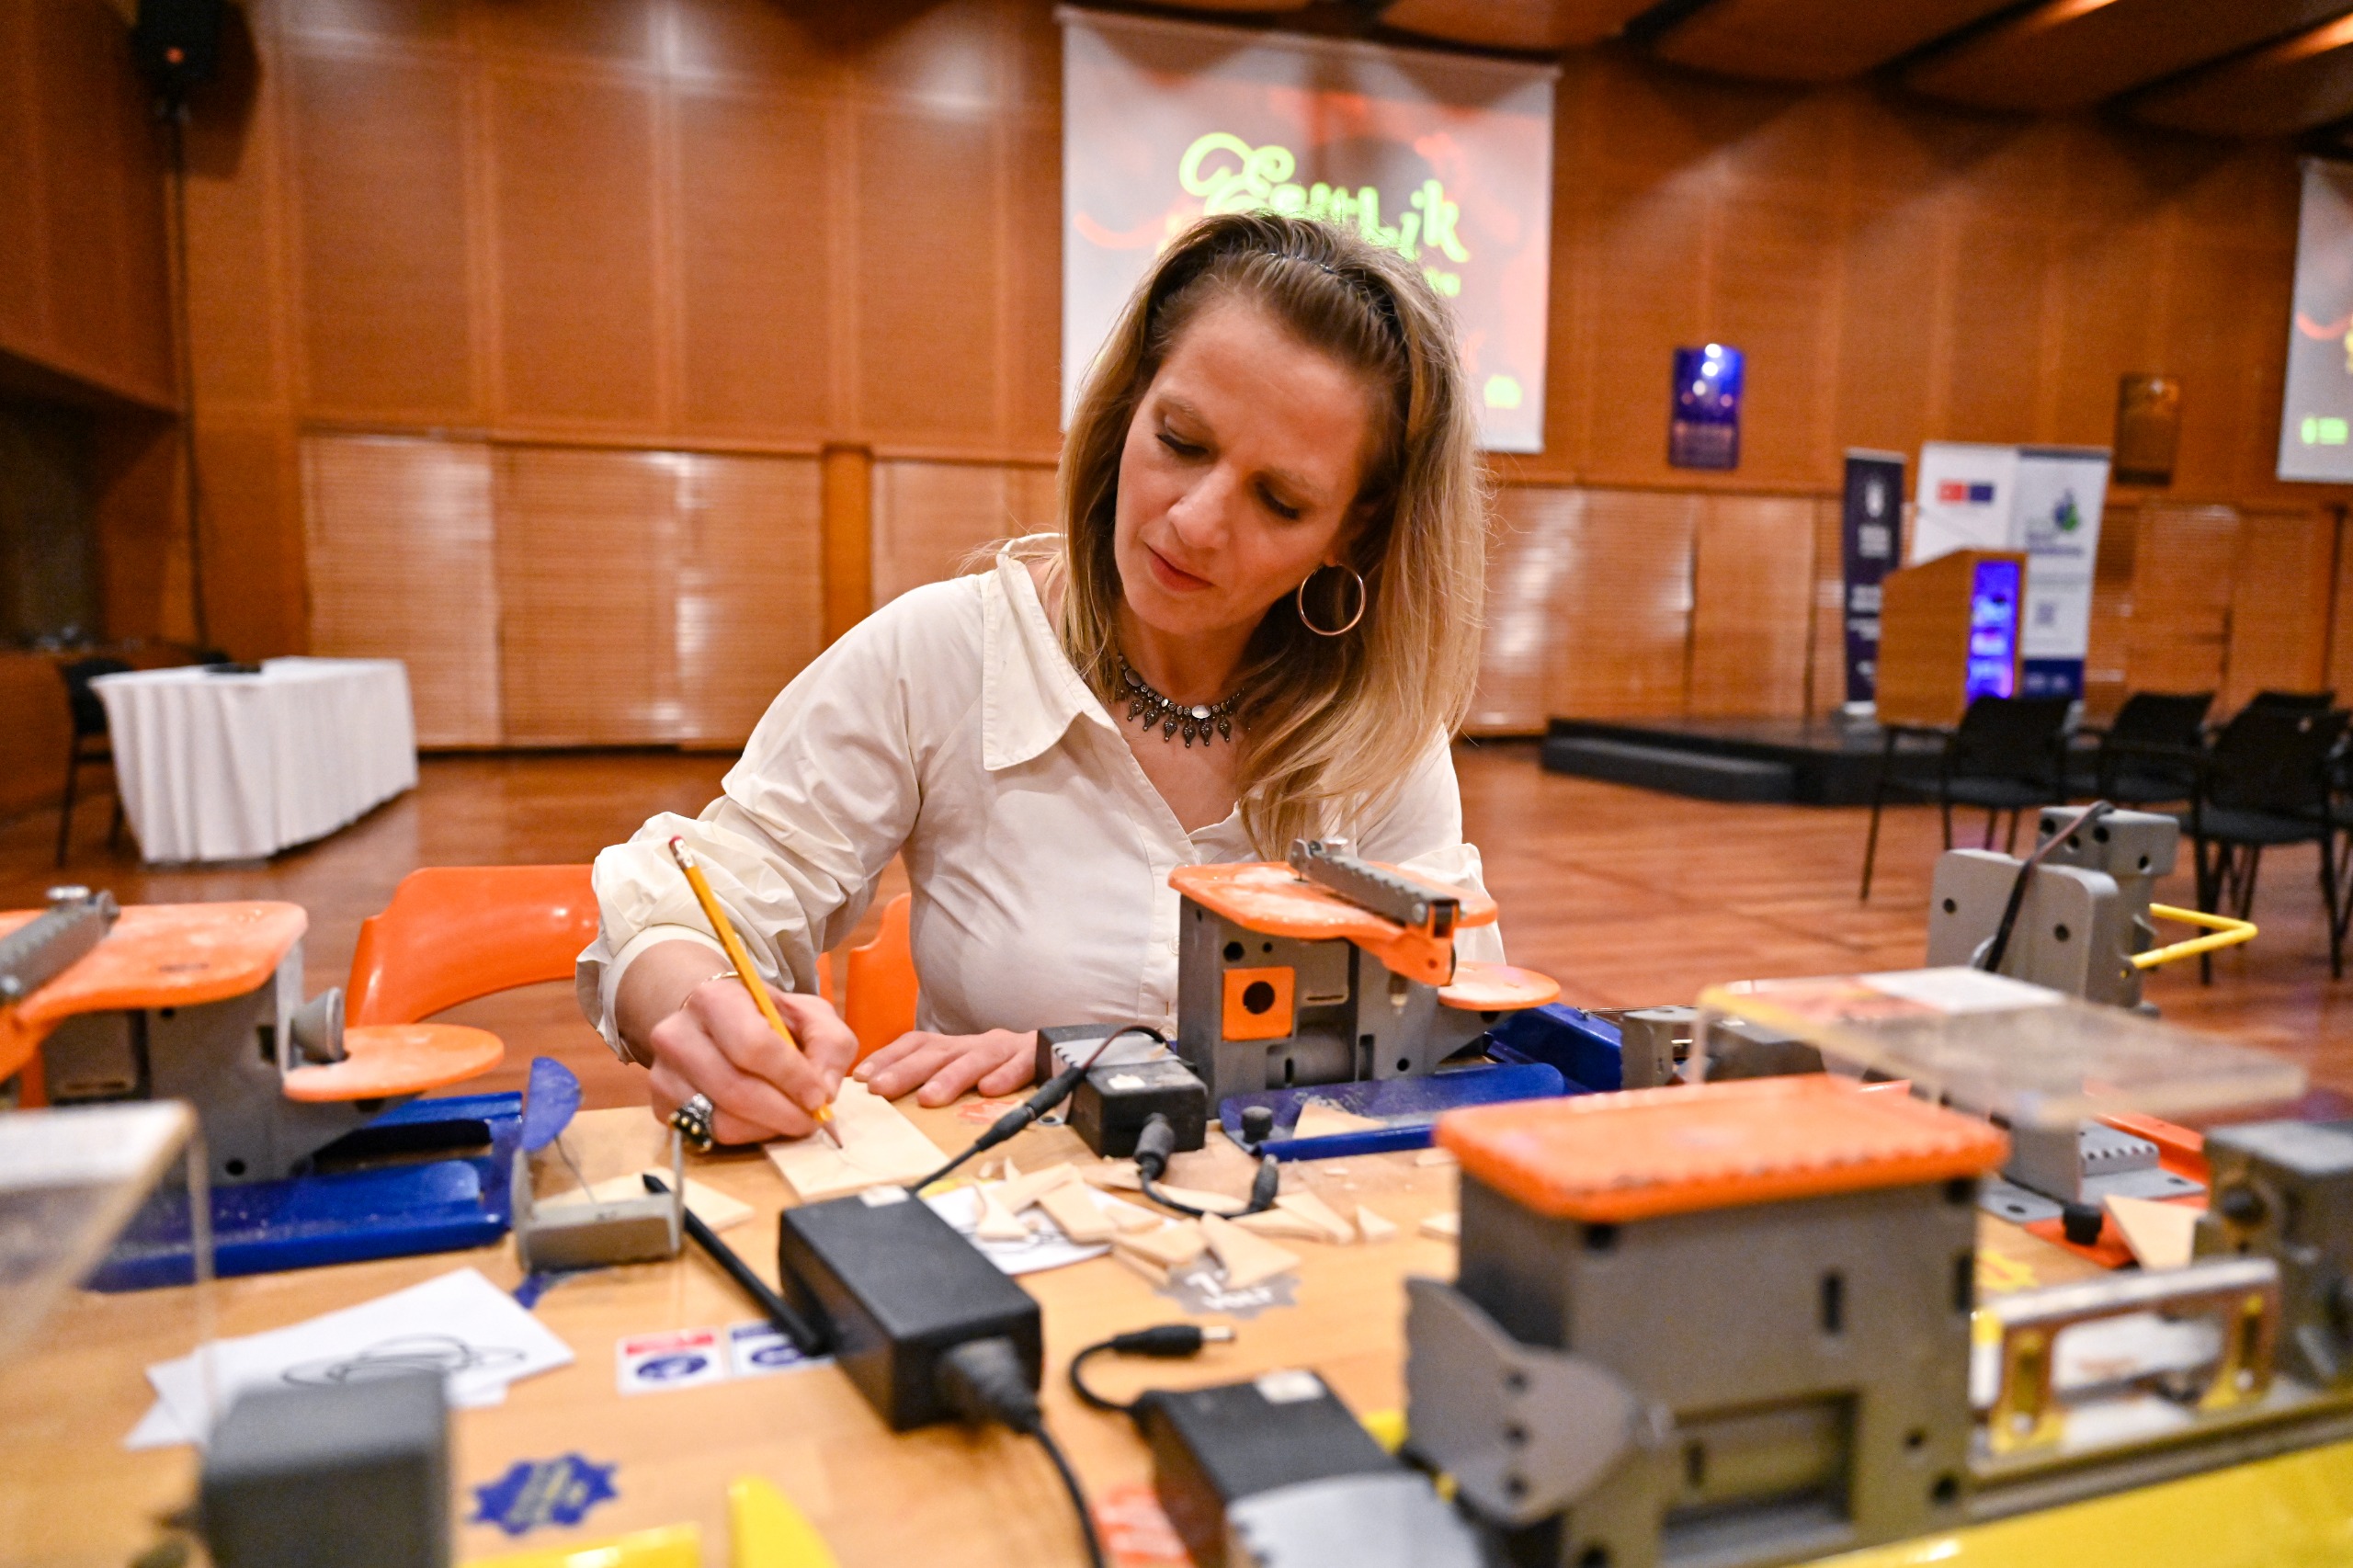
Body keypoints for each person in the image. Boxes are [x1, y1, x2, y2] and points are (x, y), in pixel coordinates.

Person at [578, 210, 1500, 1145]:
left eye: (1280, 499)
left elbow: (1453, 1022)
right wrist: (700, 1003)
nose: (1194, 521)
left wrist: (1089, 1059)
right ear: (1126, 407)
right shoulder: (944, 652)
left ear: (1353, 531)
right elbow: (697, 900)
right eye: (1180, 441)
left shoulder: (1381, 733)